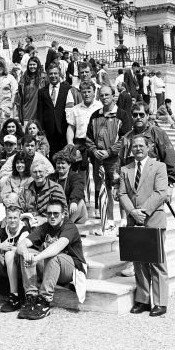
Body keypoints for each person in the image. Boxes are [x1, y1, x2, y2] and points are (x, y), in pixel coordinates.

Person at [119, 134, 169, 317]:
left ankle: (160, 302)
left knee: (157, 262)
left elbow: (161, 192)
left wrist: (143, 211)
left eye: (141, 145)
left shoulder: (159, 167)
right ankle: (143, 299)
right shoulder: (126, 169)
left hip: (153, 219)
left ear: (148, 147)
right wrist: (133, 212)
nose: (138, 149)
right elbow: (122, 193)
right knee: (138, 261)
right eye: (134, 146)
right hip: (134, 220)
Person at [16, 197, 87, 320]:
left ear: (63, 215)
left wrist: (37, 258)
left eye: (56, 213)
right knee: (25, 254)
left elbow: (57, 247)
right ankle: (31, 297)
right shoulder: (44, 227)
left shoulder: (69, 226)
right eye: (49, 213)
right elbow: (21, 245)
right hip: (51, 268)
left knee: (53, 255)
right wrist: (26, 253)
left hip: (71, 269)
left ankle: (44, 301)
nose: (52, 216)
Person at [85, 84, 131, 234]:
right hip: (99, 160)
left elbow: (125, 138)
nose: (104, 98)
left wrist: (109, 151)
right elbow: (88, 138)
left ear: (113, 96)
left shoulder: (122, 115)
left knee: (120, 189)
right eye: (102, 95)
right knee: (105, 190)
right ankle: (109, 221)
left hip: (116, 159)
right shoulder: (95, 115)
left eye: (107, 95)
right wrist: (94, 150)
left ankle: (124, 222)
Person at [65, 80, 102, 180]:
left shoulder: (101, 107)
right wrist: (70, 142)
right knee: (80, 175)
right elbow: (71, 127)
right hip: (80, 144)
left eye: (89, 91)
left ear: (94, 92)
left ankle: (96, 194)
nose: (86, 94)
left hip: (96, 144)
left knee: (97, 174)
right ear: (80, 93)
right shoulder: (75, 109)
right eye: (84, 92)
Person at [36, 62, 74, 159]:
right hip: (49, 129)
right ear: (48, 75)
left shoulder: (67, 89)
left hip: (63, 127)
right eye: (51, 74)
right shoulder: (42, 92)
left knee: (64, 155)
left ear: (59, 74)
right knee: (52, 155)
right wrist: (41, 130)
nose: (53, 76)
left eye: (55, 73)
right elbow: (40, 112)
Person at [50, 149, 87, 224]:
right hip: (57, 209)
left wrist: (74, 201)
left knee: (80, 202)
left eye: (63, 163)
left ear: (69, 165)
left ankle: (68, 225)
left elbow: (78, 189)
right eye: (58, 163)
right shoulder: (51, 177)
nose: (60, 166)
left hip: (74, 211)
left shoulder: (75, 176)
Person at [17, 56, 46, 126]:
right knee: (27, 132)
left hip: (39, 109)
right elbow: (19, 94)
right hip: (26, 109)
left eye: (34, 64)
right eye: (30, 64)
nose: (32, 66)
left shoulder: (43, 77)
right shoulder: (24, 78)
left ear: (38, 65)